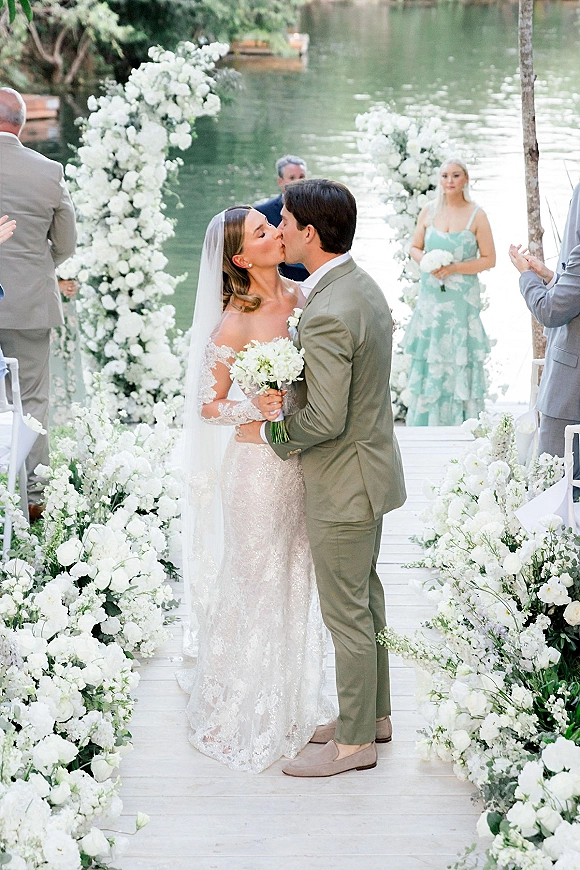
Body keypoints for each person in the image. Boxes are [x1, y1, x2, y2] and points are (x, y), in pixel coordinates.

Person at [237, 179, 407, 777]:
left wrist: (274, 432)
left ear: (310, 233)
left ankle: (356, 744)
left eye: (283, 220)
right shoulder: (356, 286)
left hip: (343, 481)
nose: (278, 229)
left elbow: (327, 418)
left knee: (347, 613)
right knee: (366, 598)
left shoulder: (328, 310)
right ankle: (375, 715)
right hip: (370, 469)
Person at [179, 205, 336, 773]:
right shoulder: (233, 321)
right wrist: (253, 406)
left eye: (274, 226)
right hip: (254, 471)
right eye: (263, 232)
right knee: (254, 582)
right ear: (242, 257)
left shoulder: (303, 298)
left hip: (302, 464)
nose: (278, 232)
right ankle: (235, 711)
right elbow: (206, 402)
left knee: (297, 576)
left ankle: (292, 699)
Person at [0, 88, 77, 519]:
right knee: (30, 401)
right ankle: (34, 499)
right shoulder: (49, 172)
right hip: (28, 304)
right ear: (22, 124)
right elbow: (65, 243)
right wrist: (33, 265)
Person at [402, 157, 496, 426]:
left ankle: (463, 422)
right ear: (439, 180)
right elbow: (414, 247)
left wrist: (455, 267)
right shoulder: (428, 211)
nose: (450, 181)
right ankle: (425, 422)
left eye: (456, 175)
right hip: (431, 298)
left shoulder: (477, 215)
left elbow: (489, 259)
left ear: (465, 179)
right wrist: (426, 262)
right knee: (431, 356)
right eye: (445, 176)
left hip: (461, 301)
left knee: (458, 355)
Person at [509, 241, 580, 478]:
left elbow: (549, 311)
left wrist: (527, 276)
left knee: (552, 487)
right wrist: (549, 276)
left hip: (569, 394)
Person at [255, 154, 309, 281]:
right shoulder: (262, 212)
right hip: (280, 273)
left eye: (301, 177)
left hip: (311, 271)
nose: (298, 182)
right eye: (292, 178)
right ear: (280, 182)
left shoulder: (317, 209)